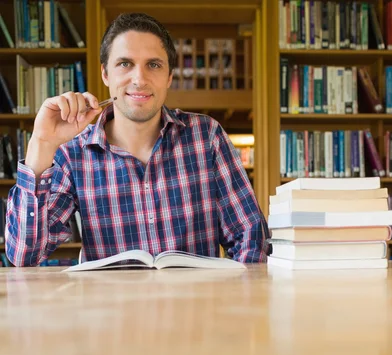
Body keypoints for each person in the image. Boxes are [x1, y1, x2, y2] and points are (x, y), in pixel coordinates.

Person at [5, 12, 269, 266]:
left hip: (195, 309)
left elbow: (250, 239)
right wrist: (42, 143)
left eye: (153, 65)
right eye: (125, 64)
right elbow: (24, 256)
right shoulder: (73, 153)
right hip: (112, 310)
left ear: (169, 77)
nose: (139, 79)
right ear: (105, 74)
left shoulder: (206, 136)